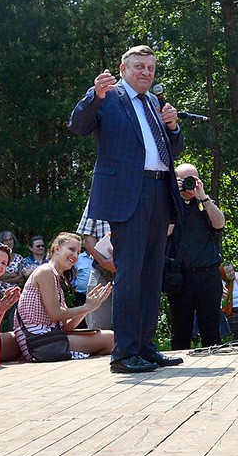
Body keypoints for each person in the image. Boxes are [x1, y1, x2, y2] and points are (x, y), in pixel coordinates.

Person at [69, 45, 185, 374]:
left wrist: (173, 127)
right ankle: (123, 354)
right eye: (139, 67)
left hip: (159, 190)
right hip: (127, 195)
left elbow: (172, 151)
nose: (146, 72)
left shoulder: (153, 102)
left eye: (150, 67)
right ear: (123, 69)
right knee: (130, 274)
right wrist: (94, 95)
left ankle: (145, 348)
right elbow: (78, 125)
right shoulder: (109, 97)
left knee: (151, 275)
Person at [13, 232, 113, 362]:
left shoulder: (56, 277)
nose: (75, 255)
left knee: (110, 341)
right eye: (71, 249)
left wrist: (89, 307)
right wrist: (87, 307)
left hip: (47, 339)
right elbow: (55, 313)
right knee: (111, 339)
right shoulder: (45, 271)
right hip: (39, 342)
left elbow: (66, 327)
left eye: (78, 252)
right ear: (57, 248)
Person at [167, 162, 226, 350]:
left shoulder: (204, 204)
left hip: (208, 275)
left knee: (212, 332)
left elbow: (219, 224)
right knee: (180, 332)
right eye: (184, 180)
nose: (189, 184)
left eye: (193, 179)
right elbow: (166, 232)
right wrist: (173, 196)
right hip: (180, 277)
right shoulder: (168, 204)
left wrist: (203, 197)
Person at [76, 206, 114, 330]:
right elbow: (88, 236)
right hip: (100, 269)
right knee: (97, 327)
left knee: (134, 327)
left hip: (134, 269)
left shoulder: (141, 194)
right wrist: (103, 262)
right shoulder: (97, 197)